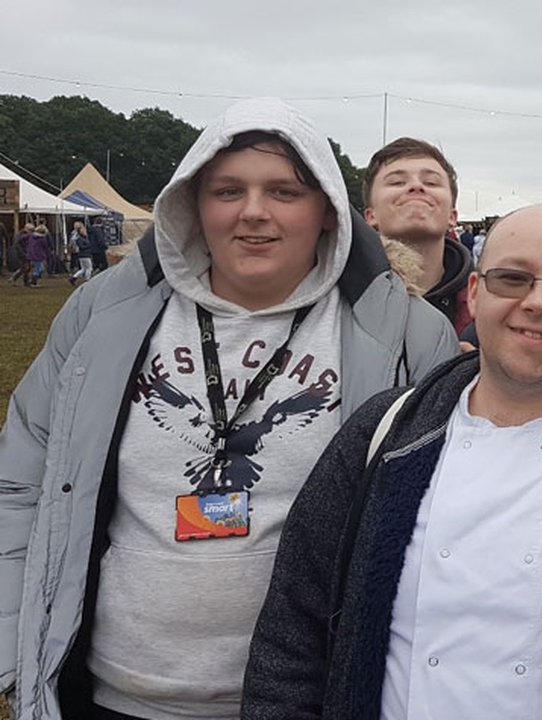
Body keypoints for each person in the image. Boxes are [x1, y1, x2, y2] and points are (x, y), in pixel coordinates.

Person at [0, 97, 457, 720]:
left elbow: (436, 530)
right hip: (112, 692)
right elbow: (21, 481)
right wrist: (11, 648)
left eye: (285, 191)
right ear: (192, 204)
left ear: (327, 211)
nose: (253, 212)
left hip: (300, 700)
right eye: (227, 190)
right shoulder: (101, 314)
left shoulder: (407, 335)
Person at [242, 204, 542, 719]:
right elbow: (292, 631)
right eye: (513, 279)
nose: (538, 302)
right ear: (476, 293)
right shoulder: (385, 432)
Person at [362, 137, 473, 334]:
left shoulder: (485, 309)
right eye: (397, 182)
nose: (416, 186)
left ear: (452, 216)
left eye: (431, 182)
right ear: (371, 216)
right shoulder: (338, 302)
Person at [69, 219, 94, 286]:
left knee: (83, 268)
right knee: (89, 268)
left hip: (83, 254)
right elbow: (82, 246)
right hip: (85, 254)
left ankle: (74, 277)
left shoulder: (81, 237)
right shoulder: (80, 238)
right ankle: (87, 279)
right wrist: (88, 246)